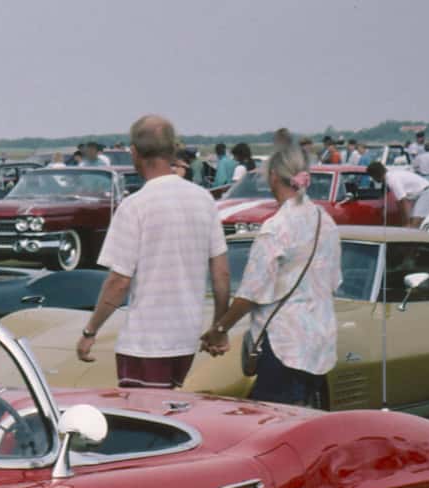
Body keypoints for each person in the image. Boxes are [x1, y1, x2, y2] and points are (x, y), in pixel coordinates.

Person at [77, 115, 228, 388]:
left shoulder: (135, 206)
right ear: (172, 152)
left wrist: (91, 330)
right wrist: (219, 328)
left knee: (145, 421)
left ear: (133, 152)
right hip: (186, 339)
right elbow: (221, 274)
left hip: (145, 343)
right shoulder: (204, 199)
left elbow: (119, 282)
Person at [201, 143, 340, 407]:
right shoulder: (326, 221)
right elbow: (333, 282)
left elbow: (252, 293)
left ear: (273, 176)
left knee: (272, 423)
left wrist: (220, 329)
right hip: (320, 343)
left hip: (285, 346)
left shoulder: (276, 227)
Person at [368, 160, 429, 227]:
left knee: (413, 226)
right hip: (421, 194)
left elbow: (404, 201)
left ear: (376, 175)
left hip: (426, 193)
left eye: (372, 177)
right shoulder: (391, 176)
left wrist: (406, 223)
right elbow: (400, 203)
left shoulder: (392, 180)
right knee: (411, 226)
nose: (373, 179)